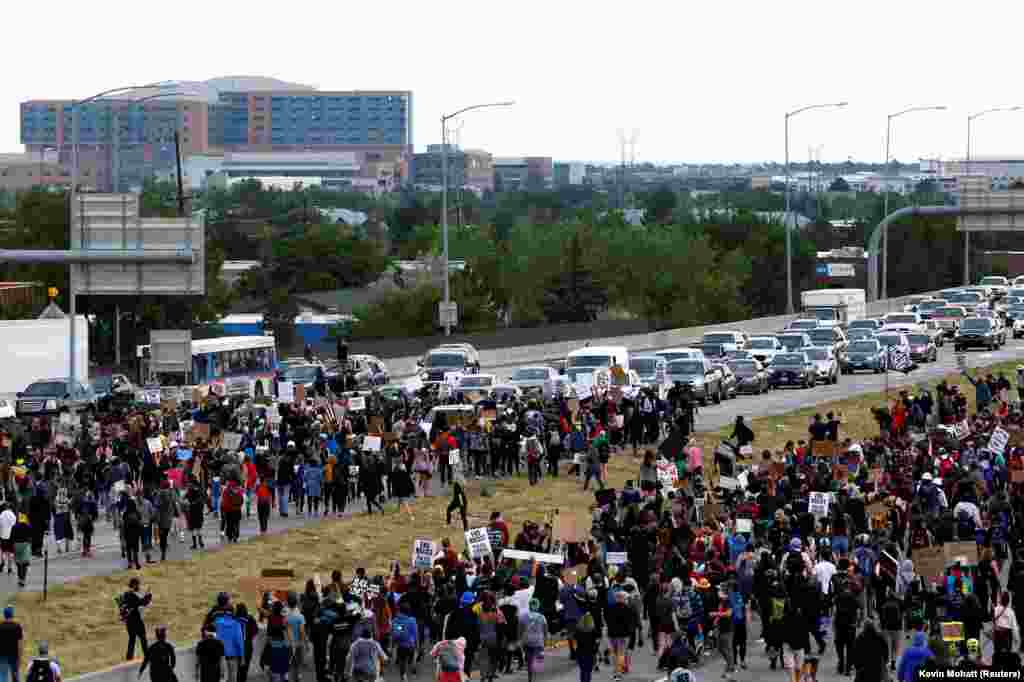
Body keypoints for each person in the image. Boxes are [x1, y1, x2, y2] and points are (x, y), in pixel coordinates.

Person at [121, 577, 152, 661]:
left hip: (128, 621)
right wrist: (148, 596)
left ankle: (129, 657)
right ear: (134, 585)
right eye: (138, 584)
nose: (139, 586)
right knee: (143, 638)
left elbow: (141, 602)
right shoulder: (131, 595)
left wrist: (146, 597)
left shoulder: (126, 594)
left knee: (132, 639)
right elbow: (142, 602)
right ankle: (147, 655)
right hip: (136, 620)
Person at [392, 601, 419, 682]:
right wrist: (417, 644)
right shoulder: (413, 620)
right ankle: (413, 670)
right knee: (411, 658)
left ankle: (403, 676)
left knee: (402, 661)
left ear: (400, 610)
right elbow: (415, 633)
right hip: (411, 644)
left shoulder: (397, 620)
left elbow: (397, 633)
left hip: (401, 645)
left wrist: (393, 643)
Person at [522, 598, 548, 682]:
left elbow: (520, 630)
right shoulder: (542, 617)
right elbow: (545, 631)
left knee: (529, 660)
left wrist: (520, 640)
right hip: (538, 641)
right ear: (538, 606)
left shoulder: (523, 617)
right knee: (537, 660)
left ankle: (530, 677)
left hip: (527, 640)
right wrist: (545, 641)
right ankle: (535, 675)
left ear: (529, 606)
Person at [0, 606, 23, 682]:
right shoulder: (17, 626)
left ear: (4, 615)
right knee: (15, 676)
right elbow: (19, 644)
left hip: (2, 655)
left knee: (3, 676)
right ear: (12, 615)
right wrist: (20, 657)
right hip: (14, 655)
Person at [574, 613, 598, 682]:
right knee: (588, 672)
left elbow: (575, 640)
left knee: (582, 671)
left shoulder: (578, 630)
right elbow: (596, 642)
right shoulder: (593, 631)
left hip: (580, 653)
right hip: (590, 653)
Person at [11, 513, 31, 589]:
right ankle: (23, 579)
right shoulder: (28, 526)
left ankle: (19, 578)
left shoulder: (14, 527)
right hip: (25, 545)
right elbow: (31, 536)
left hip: (16, 545)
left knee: (19, 563)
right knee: (25, 563)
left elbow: (11, 537)